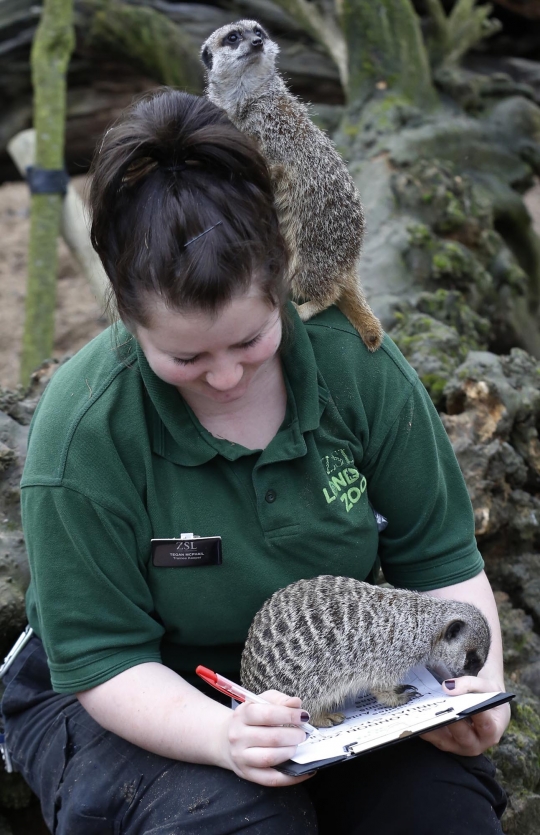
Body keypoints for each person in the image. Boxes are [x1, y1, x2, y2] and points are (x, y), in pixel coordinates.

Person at [2, 89, 509, 834]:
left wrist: (475, 690)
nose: (226, 376)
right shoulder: (87, 428)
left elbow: (436, 559)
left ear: (280, 278)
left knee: (441, 815)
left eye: (249, 340)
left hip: (327, 680)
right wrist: (220, 735)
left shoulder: (353, 363)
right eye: (185, 355)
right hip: (129, 690)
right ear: (127, 312)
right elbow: (103, 655)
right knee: (237, 819)